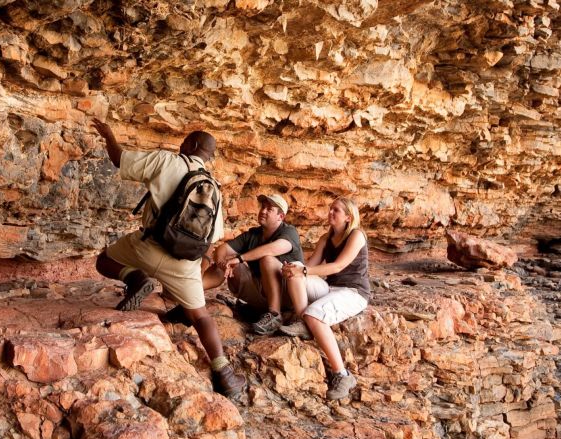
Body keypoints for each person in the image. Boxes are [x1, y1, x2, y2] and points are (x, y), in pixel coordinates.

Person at [90, 118, 247, 399]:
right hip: (183, 263)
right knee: (200, 316)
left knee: (103, 261)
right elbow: (211, 238)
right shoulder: (214, 187)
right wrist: (193, 272)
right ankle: (225, 375)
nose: (181, 143)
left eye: (185, 140)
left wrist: (109, 135)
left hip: (146, 247)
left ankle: (135, 277)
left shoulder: (167, 161)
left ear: (193, 145)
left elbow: (118, 160)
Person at [279, 197, 370, 400]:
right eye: (330, 209)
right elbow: (309, 268)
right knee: (295, 269)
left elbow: (338, 266)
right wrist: (292, 270)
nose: (330, 213)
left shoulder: (357, 235)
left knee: (315, 316)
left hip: (353, 292)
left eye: (335, 210)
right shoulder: (325, 239)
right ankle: (303, 320)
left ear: (348, 217)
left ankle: (342, 374)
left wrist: (304, 270)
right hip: (330, 288)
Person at [201, 194, 304, 335]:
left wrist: (240, 258)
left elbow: (275, 248)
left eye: (269, 209)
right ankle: (192, 291)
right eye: (263, 207)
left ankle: (274, 315)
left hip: (288, 295)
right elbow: (222, 249)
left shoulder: (289, 231)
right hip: (262, 292)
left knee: (267, 259)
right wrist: (221, 264)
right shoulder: (254, 234)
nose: (263, 211)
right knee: (229, 265)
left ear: (280, 217)